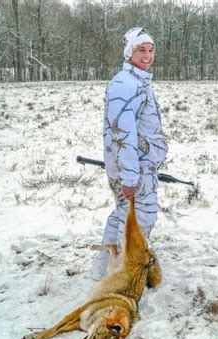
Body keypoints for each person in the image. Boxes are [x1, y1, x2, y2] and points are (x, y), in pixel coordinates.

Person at [92, 27, 168, 280]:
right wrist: (130, 176)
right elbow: (122, 134)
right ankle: (123, 276)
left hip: (138, 166)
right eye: (140, 50)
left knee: (123, 216)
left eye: (150, 50)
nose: (147, 55)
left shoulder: (138, 82)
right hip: (134, 169)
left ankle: (102, 270)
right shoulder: (125, 85)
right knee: (141, 219)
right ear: (129, 52)